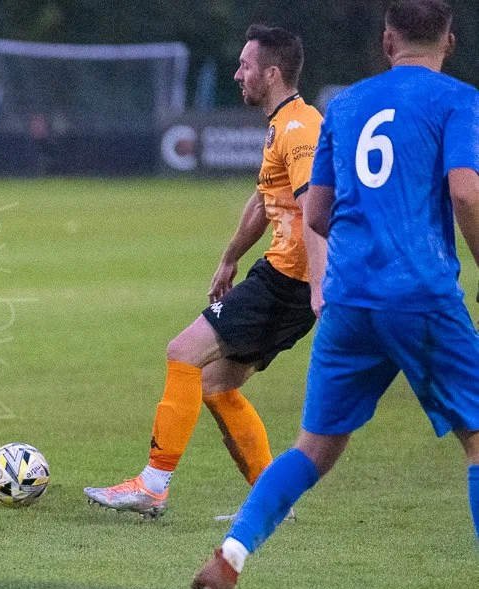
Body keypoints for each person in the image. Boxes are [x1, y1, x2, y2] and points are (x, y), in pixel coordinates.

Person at [192, 1, 479, 589]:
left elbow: (315, 213)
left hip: (349, 300)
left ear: (386, 39)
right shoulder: (458, 100)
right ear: (449, 41)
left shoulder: (344, 106)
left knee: (312, 449)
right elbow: (464, 190)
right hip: (422, 293)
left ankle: (230, 556)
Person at [85, 25, 323, 519]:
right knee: (215, 383)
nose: (238, 74)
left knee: (183, 353)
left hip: (287, 281)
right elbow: (264, 202)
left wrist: (319, 284)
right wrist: (230, 257)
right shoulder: (284, 123)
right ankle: (273, 502)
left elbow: (315, 206)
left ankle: (152, 486)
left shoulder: (300, 130)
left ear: (272, 73)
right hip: (287, 281)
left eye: (246, 66)